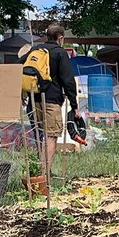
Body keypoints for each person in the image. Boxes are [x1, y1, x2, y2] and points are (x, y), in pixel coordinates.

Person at [25, 23, 78, 171]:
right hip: (51, 101)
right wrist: (74, 105)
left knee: (40, 134)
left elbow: (18, 66)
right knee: (51, 136)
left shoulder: (35, 49)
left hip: (33, 98)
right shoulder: (60, 53)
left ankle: (38, 171)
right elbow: (68, 80)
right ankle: (44, 174)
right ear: (60, 38)